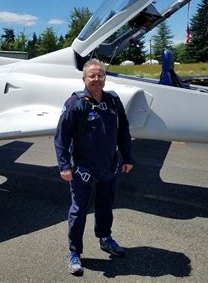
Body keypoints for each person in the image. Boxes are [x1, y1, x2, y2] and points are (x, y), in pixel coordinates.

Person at [54, 58, 134, 276]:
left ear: (104, 78)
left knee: (106, 207)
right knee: (78, 211)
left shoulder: (113, 102)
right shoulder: (75, 103)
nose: (97, 79)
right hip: (82, 169)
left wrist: (127, 157)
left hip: (109, 166)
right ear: (84, 79)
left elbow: (123, 131)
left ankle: (105, 238)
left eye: (100, 75)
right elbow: (61, 137)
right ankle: (74, 252)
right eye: (92, 75)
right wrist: (64, 165)